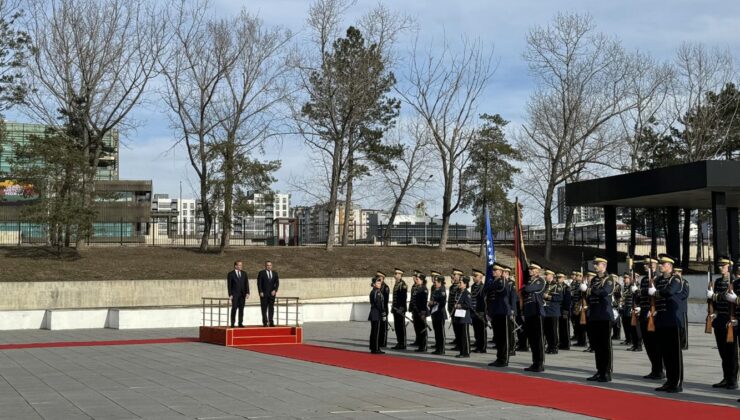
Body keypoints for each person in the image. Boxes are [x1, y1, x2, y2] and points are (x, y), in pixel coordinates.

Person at [650, 254, 683, 393]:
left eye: (663, 264)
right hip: (661, 320)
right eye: (660, 264)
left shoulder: (675, 279)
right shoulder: (658, 280)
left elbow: (670, 292)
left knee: (675, 354)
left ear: (669, 266)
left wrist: (656, 293)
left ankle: (677, 383)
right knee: (665, 353)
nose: (660, 266)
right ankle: (669, 381)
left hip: (673, 320)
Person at [708, 257, 737, 390]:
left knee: (731, 353)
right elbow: (716, 302)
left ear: (729, 267)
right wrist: (714, 312)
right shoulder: (718, 281)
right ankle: (726, 378)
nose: (720, 267)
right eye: (719, 265)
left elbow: (731, 300)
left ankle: (732, 380)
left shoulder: (735, 282)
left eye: (723, 265)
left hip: (730, 320)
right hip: (720, 320)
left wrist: (714, 296)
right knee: (722, 352)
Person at [585, 256, 614, 383]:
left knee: (605, 345)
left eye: (597, 264)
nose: (595, 266)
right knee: (597, 345)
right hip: (594, 315)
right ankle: (599, 370)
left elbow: (604, 292)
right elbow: (590, 295)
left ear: (604, 265)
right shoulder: (595, 280)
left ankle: (607, 372)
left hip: (604, 315)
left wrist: (590, 290)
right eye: (594, 264)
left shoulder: (609, 279)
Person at [638, 256, 664, 380]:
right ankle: (655, 368)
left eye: (647, 264)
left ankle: (659, 369)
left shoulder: (658, 279)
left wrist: (653, 310)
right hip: (643, 313)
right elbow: (642, 295)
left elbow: (658, 296)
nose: (644, 266)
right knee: (648, 344)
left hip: (653, 313)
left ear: (654, 265)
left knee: (656, 344)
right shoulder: (644, 279)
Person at [486, 264, 512, 367]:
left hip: (503, 311)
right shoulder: (494, 281)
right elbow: (488, 293)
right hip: (495, 312)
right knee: (498, 337)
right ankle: (499, 358)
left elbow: (489, 288)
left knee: (504, 337)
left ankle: (504, 359)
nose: (493, 272)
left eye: (496, 270)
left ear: (501, 272)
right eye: (493, 270)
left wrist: (489, 286)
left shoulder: (502, 281)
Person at [522, 262, 546, 372]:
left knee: (538, 340)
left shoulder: (540, 281)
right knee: (532, 340)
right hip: (529, 313)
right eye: (529, 269)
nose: (530, 270)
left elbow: (527, 290)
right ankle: (535, 362)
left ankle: (540, 363)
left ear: (538, 271)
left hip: (537, 313)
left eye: (532, 269)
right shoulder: (529, 281)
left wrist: (525, 287)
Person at [543, 269, 563, 354]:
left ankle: (554, 347)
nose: (545, 276)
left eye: (547, 275)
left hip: (553, 311)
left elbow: (560, 298)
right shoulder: (545, 285)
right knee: (547, 331)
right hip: (545, 311)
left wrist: (548, 297)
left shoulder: (557, 286)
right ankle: (549, 346)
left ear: (551, 275)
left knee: (553, 331)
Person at [453, 276, 472, 358]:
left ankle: (466, 352)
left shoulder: (467, 293)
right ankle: (461, 351)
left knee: (464, 336)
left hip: (464, 317)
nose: (459, 283)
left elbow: (468, 305)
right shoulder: (458, 292)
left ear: (465, 284)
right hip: (458, 316)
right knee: (459, 335)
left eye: (461, 282)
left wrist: (459, 305)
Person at [227, 260, 250, 328]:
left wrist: (247, 292)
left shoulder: (244, 273)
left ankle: (240, 323)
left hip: (242, 295)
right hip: (235, 295)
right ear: (235, 266)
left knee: (241, 309)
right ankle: (232, 323)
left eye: (241, 265)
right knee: (234, 308)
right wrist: (230, 294)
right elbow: (229, 285)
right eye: (239, 265)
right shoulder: (231, 274)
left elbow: (246, 284)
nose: (241, 266)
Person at [257, 261, 279, 327]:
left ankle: (271, 322)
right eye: (267, 265)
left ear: (271, 266)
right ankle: (265, 322)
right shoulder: (261, 273)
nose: (269, 266)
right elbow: (259, 283)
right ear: (265, 266)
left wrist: (275, 290)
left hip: (272, 294)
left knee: (271, 308)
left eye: (270, 265)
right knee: (264, 308)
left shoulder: (275, 273)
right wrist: (260, 291)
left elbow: (277, 283)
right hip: (264, 294)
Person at [429, 273, 447, 355]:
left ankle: (442, 349)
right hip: (434, 313)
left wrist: (433, 302)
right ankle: (438, 348)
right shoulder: (435, 289)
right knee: (436, 332)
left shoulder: (442, 290)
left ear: (440, 282)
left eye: (436, 281)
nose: (434, 283)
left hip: (440, 313)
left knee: (440, 332)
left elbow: (442, 302)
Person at [470, 268, 487, 353]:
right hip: (474, 311)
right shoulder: (473, 286)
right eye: (473, 276)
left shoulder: (483, 287)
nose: (473, 277)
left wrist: (483, 312)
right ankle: (478, 346)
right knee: (476, 330)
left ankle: (482, 347)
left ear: (480, 277)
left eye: (475, 276)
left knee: (481, 331)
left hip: (480, 312)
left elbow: (484, 301)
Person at [391, 268, 408, 350]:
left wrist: (401, 309)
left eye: (396, 273)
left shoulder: (402, 284)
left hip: (400, 310)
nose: (395, 275)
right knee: (397, 326)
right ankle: (399, 342)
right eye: (395, 273)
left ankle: (403, 343)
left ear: (400, 275)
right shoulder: (397, 284)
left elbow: (403, 298)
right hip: (395, 309)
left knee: (401, 326)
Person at [503, 267, 518, 356]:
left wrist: (512, 310)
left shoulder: (511, 284)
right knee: (504, 331)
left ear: (507, 273)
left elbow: (513, 298)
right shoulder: (501, 283)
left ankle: (512, 348)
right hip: (503, 310)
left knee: (511, 331)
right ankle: (506, 347)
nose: (502, 274)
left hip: (510, 310)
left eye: (504, 272)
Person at [368, 275, 386, 354]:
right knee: (376, 332)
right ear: (374, 284)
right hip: (376, 314)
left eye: (380, 283)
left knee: (373, 331)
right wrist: (383, 313)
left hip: (373, 313)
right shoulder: (377, 292)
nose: (379, 284)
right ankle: (376, 348)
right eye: (378, 283)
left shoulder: (373, 291)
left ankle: (373, 347)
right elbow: (379, 304)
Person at [570, 271, 587, 347]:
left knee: (581, 325)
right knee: (577, 324)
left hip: (580, 306)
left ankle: (583, 341)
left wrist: (580, 306)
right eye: (576, 275)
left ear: (581, 277)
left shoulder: (582, 285)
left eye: (578, 276)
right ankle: (579, 340)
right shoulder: (574, 284)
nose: (576, 277)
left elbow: (583, 296)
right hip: (575, 306)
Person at [448, 269, 463, 348]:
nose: (453, 277)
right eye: (453, 275)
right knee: (455, 327)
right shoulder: (452, 287)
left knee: (459, 328)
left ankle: (460, 344)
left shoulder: (460, 287)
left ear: (460, 277)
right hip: (452, 310)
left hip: (458, 311)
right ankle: (457, 341)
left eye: (455, 275)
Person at [409, 271, 423, 348]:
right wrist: (411, 308)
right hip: (414, 309)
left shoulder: (421, 287)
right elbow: (412, 298)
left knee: (420, 327)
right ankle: (417, 340)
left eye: (416, 277)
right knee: (416, 326)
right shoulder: (414, 287)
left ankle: (422, 342)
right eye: (414, 276)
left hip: (419, 310)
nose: (414, 278)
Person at [620, 273, 634, 347]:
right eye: (624, 278)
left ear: (630, 278)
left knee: (629, 324)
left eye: (626, 278)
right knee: (625, 324)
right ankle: (627, 339)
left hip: (630, 307)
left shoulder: (632, 286)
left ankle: (631, 339)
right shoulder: (624, 286)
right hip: (624, 307)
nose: (624, 279)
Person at [558, 272, 572, 351]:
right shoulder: (557, 286)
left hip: (564, 309)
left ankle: (566, 344)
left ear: (563, 278)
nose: (558, 279)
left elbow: (567, 300)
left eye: (560, 277)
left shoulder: (566, 287)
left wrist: (566, 310)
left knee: (565, 328)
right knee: (560, 327)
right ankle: (562, 342)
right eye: (557, 277)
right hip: (559, 309)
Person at [378, 271, 390, 348]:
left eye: (379, 277)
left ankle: (383, 342)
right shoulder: (378, 286)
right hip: (378, 309)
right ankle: (379, 341)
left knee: (384, 327)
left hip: (384, 309)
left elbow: (385, 300)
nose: (378, 278)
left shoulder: (385, 287)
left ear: (382, 278)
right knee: (379, 326)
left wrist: (383, 310)